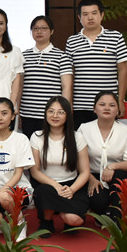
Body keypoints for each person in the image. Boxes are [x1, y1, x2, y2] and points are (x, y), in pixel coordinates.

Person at [29, 96, 90, 237]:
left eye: (60, 112)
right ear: (45, 113)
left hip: (72, 185)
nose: (55, 115)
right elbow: (35, 171)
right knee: (44, 191)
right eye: (51, 111)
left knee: (74, 219)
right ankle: (47, 220)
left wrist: (72, 190)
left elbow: (85, 172)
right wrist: (55, 186)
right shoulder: (37, 137)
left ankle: (66, 214)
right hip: (47, 184)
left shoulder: (77, 137)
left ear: (68, 115)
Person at [66, 0, 127, 128]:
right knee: (81, 139)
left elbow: (123, 69)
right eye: (85, 14)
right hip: (80, 105)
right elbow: (69, 74)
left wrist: (120, 100)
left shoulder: (115, 37)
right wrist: (69, 102)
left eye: (94, 13)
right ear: (79, 18)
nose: (90, 17)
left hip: (108, 104)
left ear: (102, 15)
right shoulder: (72, 41)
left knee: (108, 139)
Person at [78, 91, 127, 221]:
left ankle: (118, 218)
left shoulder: (126, 131)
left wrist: (112, 167)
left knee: (121, 176)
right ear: (94, 109)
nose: (107, 108)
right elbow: (77, 160)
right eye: (102, 104)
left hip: (117, 174)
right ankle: (102, 211)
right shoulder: (84, 129)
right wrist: (90, 179)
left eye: (112, 105)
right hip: (92, 175)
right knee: (99, 202)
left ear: (117, 110)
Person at [0, 96, 34, 240]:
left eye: (4, 113)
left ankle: (19, 221)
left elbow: (18, 174)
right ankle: (3, 218)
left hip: (18, 190)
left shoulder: (20, 139)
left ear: (12, 116)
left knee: (4, 196)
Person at [19, 15, 73, 138]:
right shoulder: (23, 56)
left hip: (51, 115)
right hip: (27, 113)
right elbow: (20, 85)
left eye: (43, 28)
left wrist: (62, 111)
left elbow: (67, 86)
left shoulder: (61, 56)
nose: (39, 31)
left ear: (52, 31)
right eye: (35, 28)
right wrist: (18, 111)